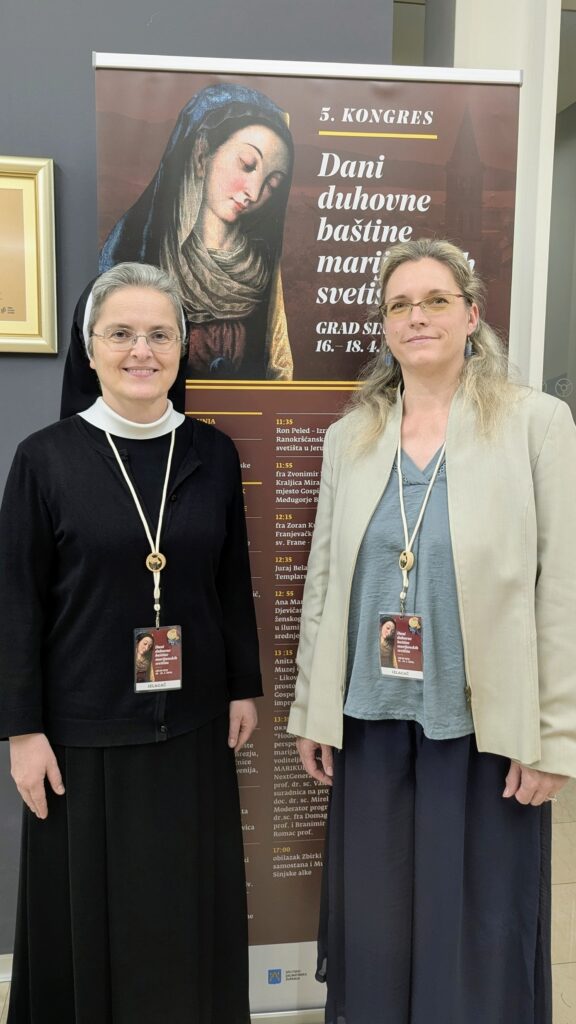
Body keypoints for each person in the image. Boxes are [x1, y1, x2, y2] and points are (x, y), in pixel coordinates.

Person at [288, 237, 576, 1024]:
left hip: (486, 727)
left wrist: (555, 737)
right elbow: (325, 581)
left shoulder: (537, 424)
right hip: (370, 719)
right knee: (378, 918)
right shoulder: (351, 436)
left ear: (472, 314)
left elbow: (561, 591)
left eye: (436, 300)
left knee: (473, 923)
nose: (417, 317)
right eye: (400, 305)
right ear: (385, 325)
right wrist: (313, 708)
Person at [0, 262, 261, 1024]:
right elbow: (15, 603)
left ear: (182, 348)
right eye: (121, 333)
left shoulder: (213, 454)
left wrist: (242, 685)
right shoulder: (45, 459)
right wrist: (22, 731)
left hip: (194, 727)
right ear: (91, 349)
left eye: (159, 334)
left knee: (185, 915)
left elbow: (230, 581)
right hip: (82, 737)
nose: (141, 350)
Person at [100, 83, 295, 381]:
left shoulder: (262, 264)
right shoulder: (138, 249)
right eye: (247, 165)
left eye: (272, 184)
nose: (254, 193)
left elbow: (275, 368)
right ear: (202, 154)